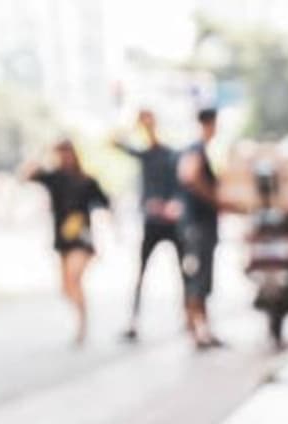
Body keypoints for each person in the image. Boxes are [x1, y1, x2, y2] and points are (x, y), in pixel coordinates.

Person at [20, 140, 111, 345]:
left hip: (82, 238)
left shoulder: (87, 180)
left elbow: (105, 204)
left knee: (73, 277)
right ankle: (81, 313)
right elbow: (26, 175)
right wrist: (42, 154)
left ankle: (82, 324)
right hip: (62, 239)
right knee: (65, 287)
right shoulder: (54, 178)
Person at [112, 109, 181, 341]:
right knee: (141, 273)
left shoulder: (170, 154)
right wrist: (133, 125)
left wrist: (172, 205)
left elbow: (181, 188)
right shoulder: (144, 155)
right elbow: (114, 141)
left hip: (171, 223)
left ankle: (189, 318)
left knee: (182, 273)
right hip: (151, 222)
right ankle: (133, 320)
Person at [176, 108, 226, 349]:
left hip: (202, 224)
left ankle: (203, 328)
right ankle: (196, 329)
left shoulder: (201, 151)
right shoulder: (195, 150)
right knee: (198, 278)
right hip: (198, 225)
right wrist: (214, 199)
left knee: (203, 278)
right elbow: (189, 176)